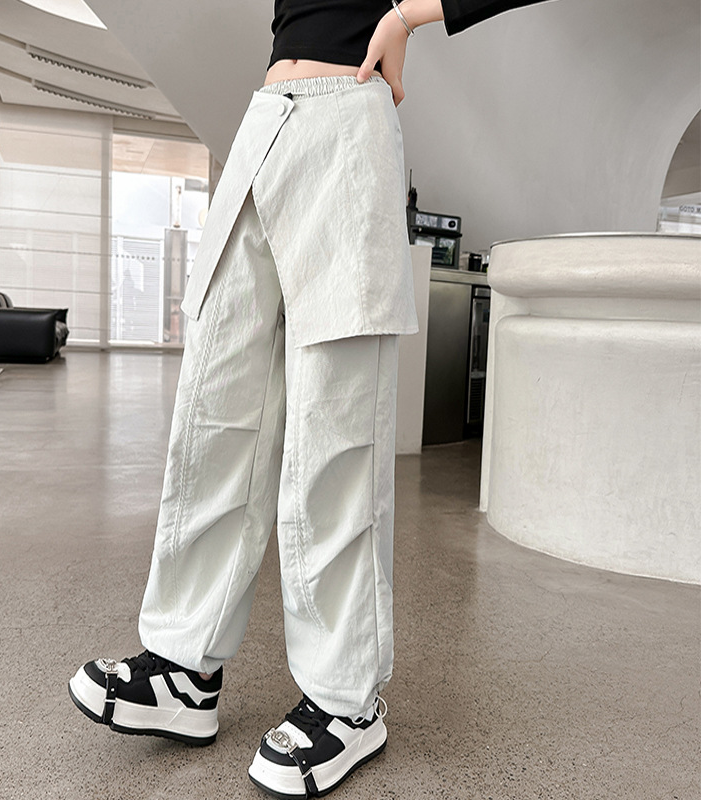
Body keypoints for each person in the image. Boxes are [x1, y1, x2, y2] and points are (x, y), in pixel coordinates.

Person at [69, 1, 552, 797]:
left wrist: (409, 15)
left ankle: (346, 700)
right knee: (215, 409)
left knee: (335, 430)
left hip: (347, 119)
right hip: (266, 119)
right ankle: (185, 669)